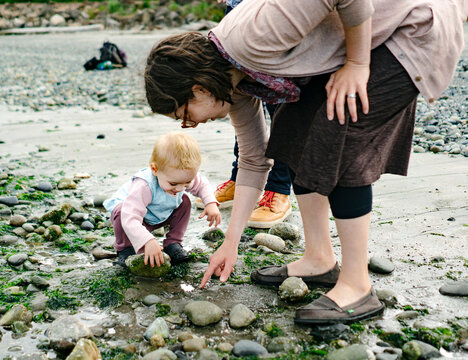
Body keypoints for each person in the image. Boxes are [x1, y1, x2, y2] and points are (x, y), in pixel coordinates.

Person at [144, 0, 465, 324]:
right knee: (291, 132)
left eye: (185, 116)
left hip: (413, 28)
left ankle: (357, 285)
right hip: (370, 38)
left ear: (199, 89)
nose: (192, 124)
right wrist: (231, 244)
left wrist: (356, 64)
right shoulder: (232, 80)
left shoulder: (251, 36)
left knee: (339, 129)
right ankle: (319, 259)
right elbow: (254, 161)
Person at [194, 0, 293, 230]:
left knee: (279, 104)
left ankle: (278, 190)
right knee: (238, 95)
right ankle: (239, 179)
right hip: (237, 7)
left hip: (272, 11)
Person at [103, 131, 221, 268]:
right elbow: (130, 218)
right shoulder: (144, 185)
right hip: (132, 218)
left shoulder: (179, 177)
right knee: (121, 210)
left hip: (159, 214)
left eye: (187, 182)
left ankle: (173, 243)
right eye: (173, 184)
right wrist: (147, 241)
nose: (179, 188)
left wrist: (211, 203)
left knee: (185, 201)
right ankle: (124, 248)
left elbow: (202, 184)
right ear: (155, 169)